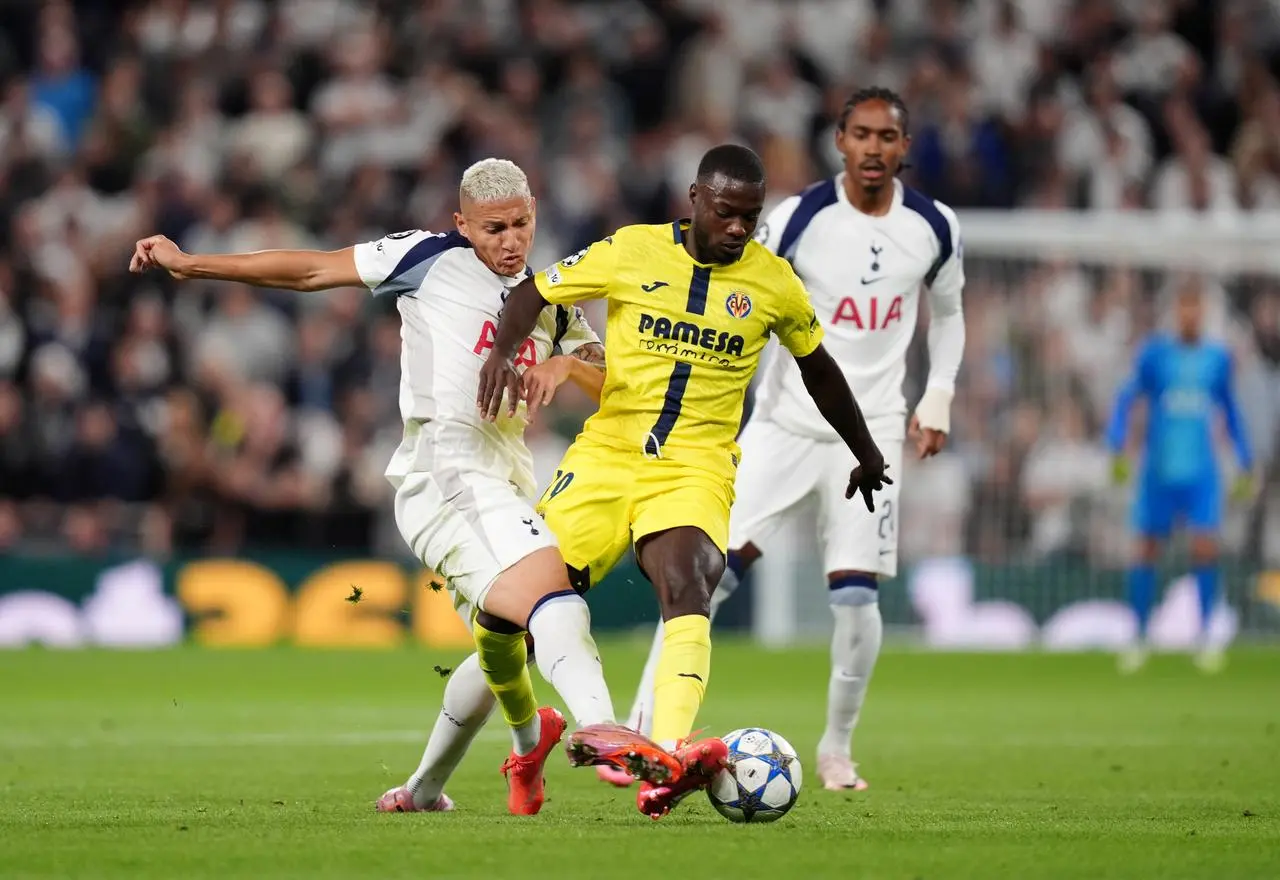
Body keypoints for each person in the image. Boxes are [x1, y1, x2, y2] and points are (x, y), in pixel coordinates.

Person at [129, 158, 678, 817]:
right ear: (462, 224)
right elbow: (312, 269)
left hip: (503, 483)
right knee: (556, 603)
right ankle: (604, 729)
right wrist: (194, 265)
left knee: (506, 637)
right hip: (445, 472)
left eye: (522, 224)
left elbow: (611, 381)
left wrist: (563, 364)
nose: (510, 241)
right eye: (494, 228)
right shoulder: (429, 258)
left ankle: (432, 786)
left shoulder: (547, 297)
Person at [476, 144, 891, 819]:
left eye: (750, 218)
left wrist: (866, 451)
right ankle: (521, 741)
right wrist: (500, 352)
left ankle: (665, 755)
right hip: (607, 456)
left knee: (690, 584)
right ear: (695, 199)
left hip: (695, 466)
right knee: (504, 618)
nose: (738, 229)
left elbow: (819, 369)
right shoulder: (631, 250)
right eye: (727, 213)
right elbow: (533, 292)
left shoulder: (774, 283)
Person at [605, 87, 967, 794]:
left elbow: (949, 315)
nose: (872, 148)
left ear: (904, 146)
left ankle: (836, 748)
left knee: (857, 599)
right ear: (839, 140)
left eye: (886, 137)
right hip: (781, 427)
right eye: (860, 134)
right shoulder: (799, 216)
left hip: (871, 435)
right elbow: (731, 285)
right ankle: (642, 734)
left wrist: (940, 396)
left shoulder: (936, 227)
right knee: (699, 581)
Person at [1107, 278, 1254, 674]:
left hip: (1201, 472)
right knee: (1145, 549)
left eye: (1196, 307)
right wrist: (1117, 443)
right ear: (1176, 313)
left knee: (1205, 548)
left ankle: (1206, 636)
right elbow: (1127, 398)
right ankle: (1139, 637)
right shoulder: (1155, 356)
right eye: (1184, 307)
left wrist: (1245, 457)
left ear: (1204, 312)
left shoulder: (1217, 359)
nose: (1190, 315)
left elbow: (1230, 411)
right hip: (1158, 470)